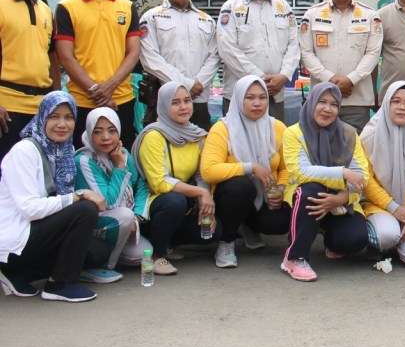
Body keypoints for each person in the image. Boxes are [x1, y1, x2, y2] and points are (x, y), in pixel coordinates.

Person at [0, 92, 109, 302]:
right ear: (42, 118)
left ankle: (19, 274)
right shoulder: (24, 151)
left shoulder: (64, 150)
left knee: (98, 252)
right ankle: (59, 284)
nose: (62, 124)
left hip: (36, 233)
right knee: (85, 209)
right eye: (54, 117)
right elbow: (30, 209)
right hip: (16, 236)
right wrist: (78, 195)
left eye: (69, 118)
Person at [54, 0, 141, 149]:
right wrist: (95, 90)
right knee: (82, 158)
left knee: (121, 157)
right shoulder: (66, 7)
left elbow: (134, 52)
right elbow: (65, 56)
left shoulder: (128, 7)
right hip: (83, 100)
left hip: (122, 99)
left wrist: (111, 85)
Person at [281, 82, 370, 281]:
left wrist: (341, 198)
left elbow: (362, 177)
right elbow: (301, 172)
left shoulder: (349, 134)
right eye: (321, 102)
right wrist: (343, 173)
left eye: (333, 104)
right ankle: (295, 257)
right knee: (310, 189)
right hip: (306, 201)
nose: (327, 109)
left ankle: (331, 241)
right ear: (311, 102)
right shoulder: (294, 133)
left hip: (340, 203)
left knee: (355, 239)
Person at [200, 75, 291, 267]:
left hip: (264, 196)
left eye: (262, 97)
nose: (257, 103)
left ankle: (249, 226)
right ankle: (226, 241)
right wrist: (250, 167)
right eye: (249, 98)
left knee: (280, 222)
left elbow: (287, 167)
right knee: (241, 185)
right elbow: (208, 170)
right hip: (230, 198)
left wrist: (282, 190)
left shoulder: (277, 127)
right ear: (238, 99)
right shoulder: (222, 129)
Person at [132, 82, 219, 275]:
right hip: (152, 202)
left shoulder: (195, 135)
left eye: (187, 101)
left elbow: (201, 174)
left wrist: (204, 203)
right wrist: (200, 192)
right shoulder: (154, 136)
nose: (183, 107)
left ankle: (168, 242)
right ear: (163, 105)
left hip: (184, 201)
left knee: (214, 231)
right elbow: (159, 183)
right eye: (175, 102)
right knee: (174, 202)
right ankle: (156, 255)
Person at [217, 0, 300, 122]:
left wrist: (284, 76)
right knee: (237, 139)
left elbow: (294, 45)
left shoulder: (284, 8)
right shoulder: (231, 7)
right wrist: (258, 79)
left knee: (275, 138)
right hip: (241, 95)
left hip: (275, 94)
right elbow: (227, 49)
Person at [298, 0, 382, 131]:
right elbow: (306, 53)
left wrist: (350, 80)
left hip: (356, 100)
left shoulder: (370, 16)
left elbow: (373, 53)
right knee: (319, 144)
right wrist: (330, 80)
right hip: (321, 99)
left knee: (354, 145)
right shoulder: (312, 15)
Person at [139, 0, 220, 130]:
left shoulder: (206, 20)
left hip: (198, 99)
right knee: (162, 144)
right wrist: (186, 85)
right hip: (166, 98)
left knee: (199, 143)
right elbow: (150, 58)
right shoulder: (152, 17)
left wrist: (199, 83)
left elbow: (214, 56)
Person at [0, 0, 60, 166]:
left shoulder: (44, 8)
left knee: (37, 173)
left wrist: (57, 99)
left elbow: (51, 57)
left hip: (40, 108)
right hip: (7, 107)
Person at [360, 81, 405, 268]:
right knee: (386, 235)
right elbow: (367, 180)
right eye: (396, 101)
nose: (402, 107)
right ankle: (380, 243)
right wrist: (394, 208)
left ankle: (400, 240)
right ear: (386, 104)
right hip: (381, 207)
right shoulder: (369, 136)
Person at [74, 107, 150, 282]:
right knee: (124, 215)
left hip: (120, 220)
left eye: (112, 130)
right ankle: (103, 266)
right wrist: (119, 168)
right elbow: (108, 203)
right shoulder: (84, 160)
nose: (106, 137)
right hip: (95, 222)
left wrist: (136, 218)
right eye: (98, 132)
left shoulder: (122, 153)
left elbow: (140, 186)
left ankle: (115, 249)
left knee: (141, 254)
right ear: (89, 132)